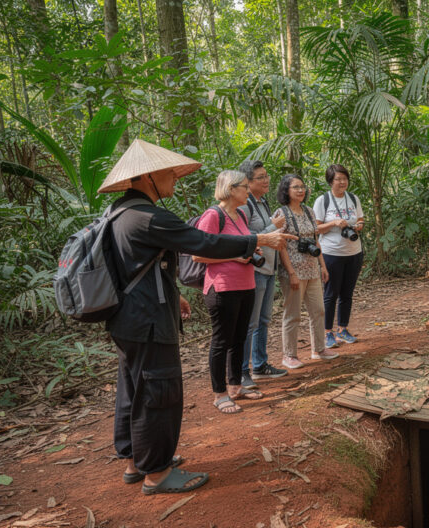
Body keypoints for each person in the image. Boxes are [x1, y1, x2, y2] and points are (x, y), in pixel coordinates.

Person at [98, 139, 296, 495]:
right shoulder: (148, 216)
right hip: (147, 319)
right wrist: (259, 240)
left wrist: (175, 296)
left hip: (128, 315)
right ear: (147, 177)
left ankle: (135, 461)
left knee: (134, 387)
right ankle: (156, 473)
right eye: (168, 173)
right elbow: (203, 243)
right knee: (159, 388)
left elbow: (140, 267)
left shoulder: (118, 213)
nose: (175, 178)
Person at [192, 170, 264, 414]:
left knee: (239, 338)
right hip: (222, 287)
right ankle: (219, 393)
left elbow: (244, 243)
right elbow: (198, 253)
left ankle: (235, 386)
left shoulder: (241, 215)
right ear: (231, 189)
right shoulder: (213, 215)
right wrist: (236, 256)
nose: (248, 190)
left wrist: (253, 253)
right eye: (245, 186)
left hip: (246, 285)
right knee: (222, 341)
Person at [272, 174, 338, 369]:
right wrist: (291, 272)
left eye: (302, 187)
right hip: (293, 272)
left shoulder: (309, 211)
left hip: (312, 270)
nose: (301, 190)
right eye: (295, 187)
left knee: (318, 310)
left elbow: (316, 240)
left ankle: (319, 349)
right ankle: (289, 355)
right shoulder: (281, 213)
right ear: (286, 190)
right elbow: (281, 244)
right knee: (293, 314)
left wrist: (323, 266)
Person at [236, 160, 287, 390]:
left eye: (267, 176)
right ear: (247, 181)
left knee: (264, 320)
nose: (266, 180)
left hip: (268, 268)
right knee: (250, 323)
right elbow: (245, 237)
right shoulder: (244, 205)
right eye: (260, 177)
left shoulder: (263, 202)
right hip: (254, 270)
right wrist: (272, 227)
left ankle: (260, 364)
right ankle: (242, 371)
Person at [313, 164, 365, 350]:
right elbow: (316, 228)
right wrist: (334, 222)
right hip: (331, 253)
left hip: (353, 252)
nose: (342, 182)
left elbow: (360, 219)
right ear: (330, 181)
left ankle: (343, 328)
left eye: (345, 178)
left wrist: (359, 225)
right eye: (338, 179)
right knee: (330, 294)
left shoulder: (353, 198)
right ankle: (327, 332)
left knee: (347, 293)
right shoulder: (323, 201)